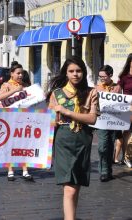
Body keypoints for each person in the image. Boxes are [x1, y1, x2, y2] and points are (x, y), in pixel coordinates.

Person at [47, 56, 99, 220]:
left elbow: (92, 119)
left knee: (75, 185)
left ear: (83, 72)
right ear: (66, 73)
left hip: (83, 139)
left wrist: (67, 112)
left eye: (78, 71)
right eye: (71, 71)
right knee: (68, 187)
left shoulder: (91, 92)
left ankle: (71, 216)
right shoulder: (56, 94)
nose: (75, 74)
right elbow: (51, 121)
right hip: (64, 139)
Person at [0, 63, 33, 181]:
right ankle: (10, 170)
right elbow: (0, 97)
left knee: (24, 144)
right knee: (10, 144)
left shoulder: (25, 85)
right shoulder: (6, 85)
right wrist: (15, 91)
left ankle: (25, 170)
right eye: (18, 73)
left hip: (23, 118)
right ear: (12, 74)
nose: (20, 75)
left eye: (22, 73)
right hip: (9, 119)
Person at [95, 65, 121, 182]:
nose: (101, 78)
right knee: (102, 146)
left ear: (110, 75)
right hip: (101, 120)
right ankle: (103, 171)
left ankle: (108, 170)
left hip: (114, 120)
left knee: (110, 144)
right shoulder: (97, 88)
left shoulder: (117, 87)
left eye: (104, 76)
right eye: (100, 76)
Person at [118, 53, 132, 168]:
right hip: (128, 108)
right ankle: (125, 157)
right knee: (127, 133)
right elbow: (117, 91)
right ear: (130, 62)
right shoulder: (124, 77)